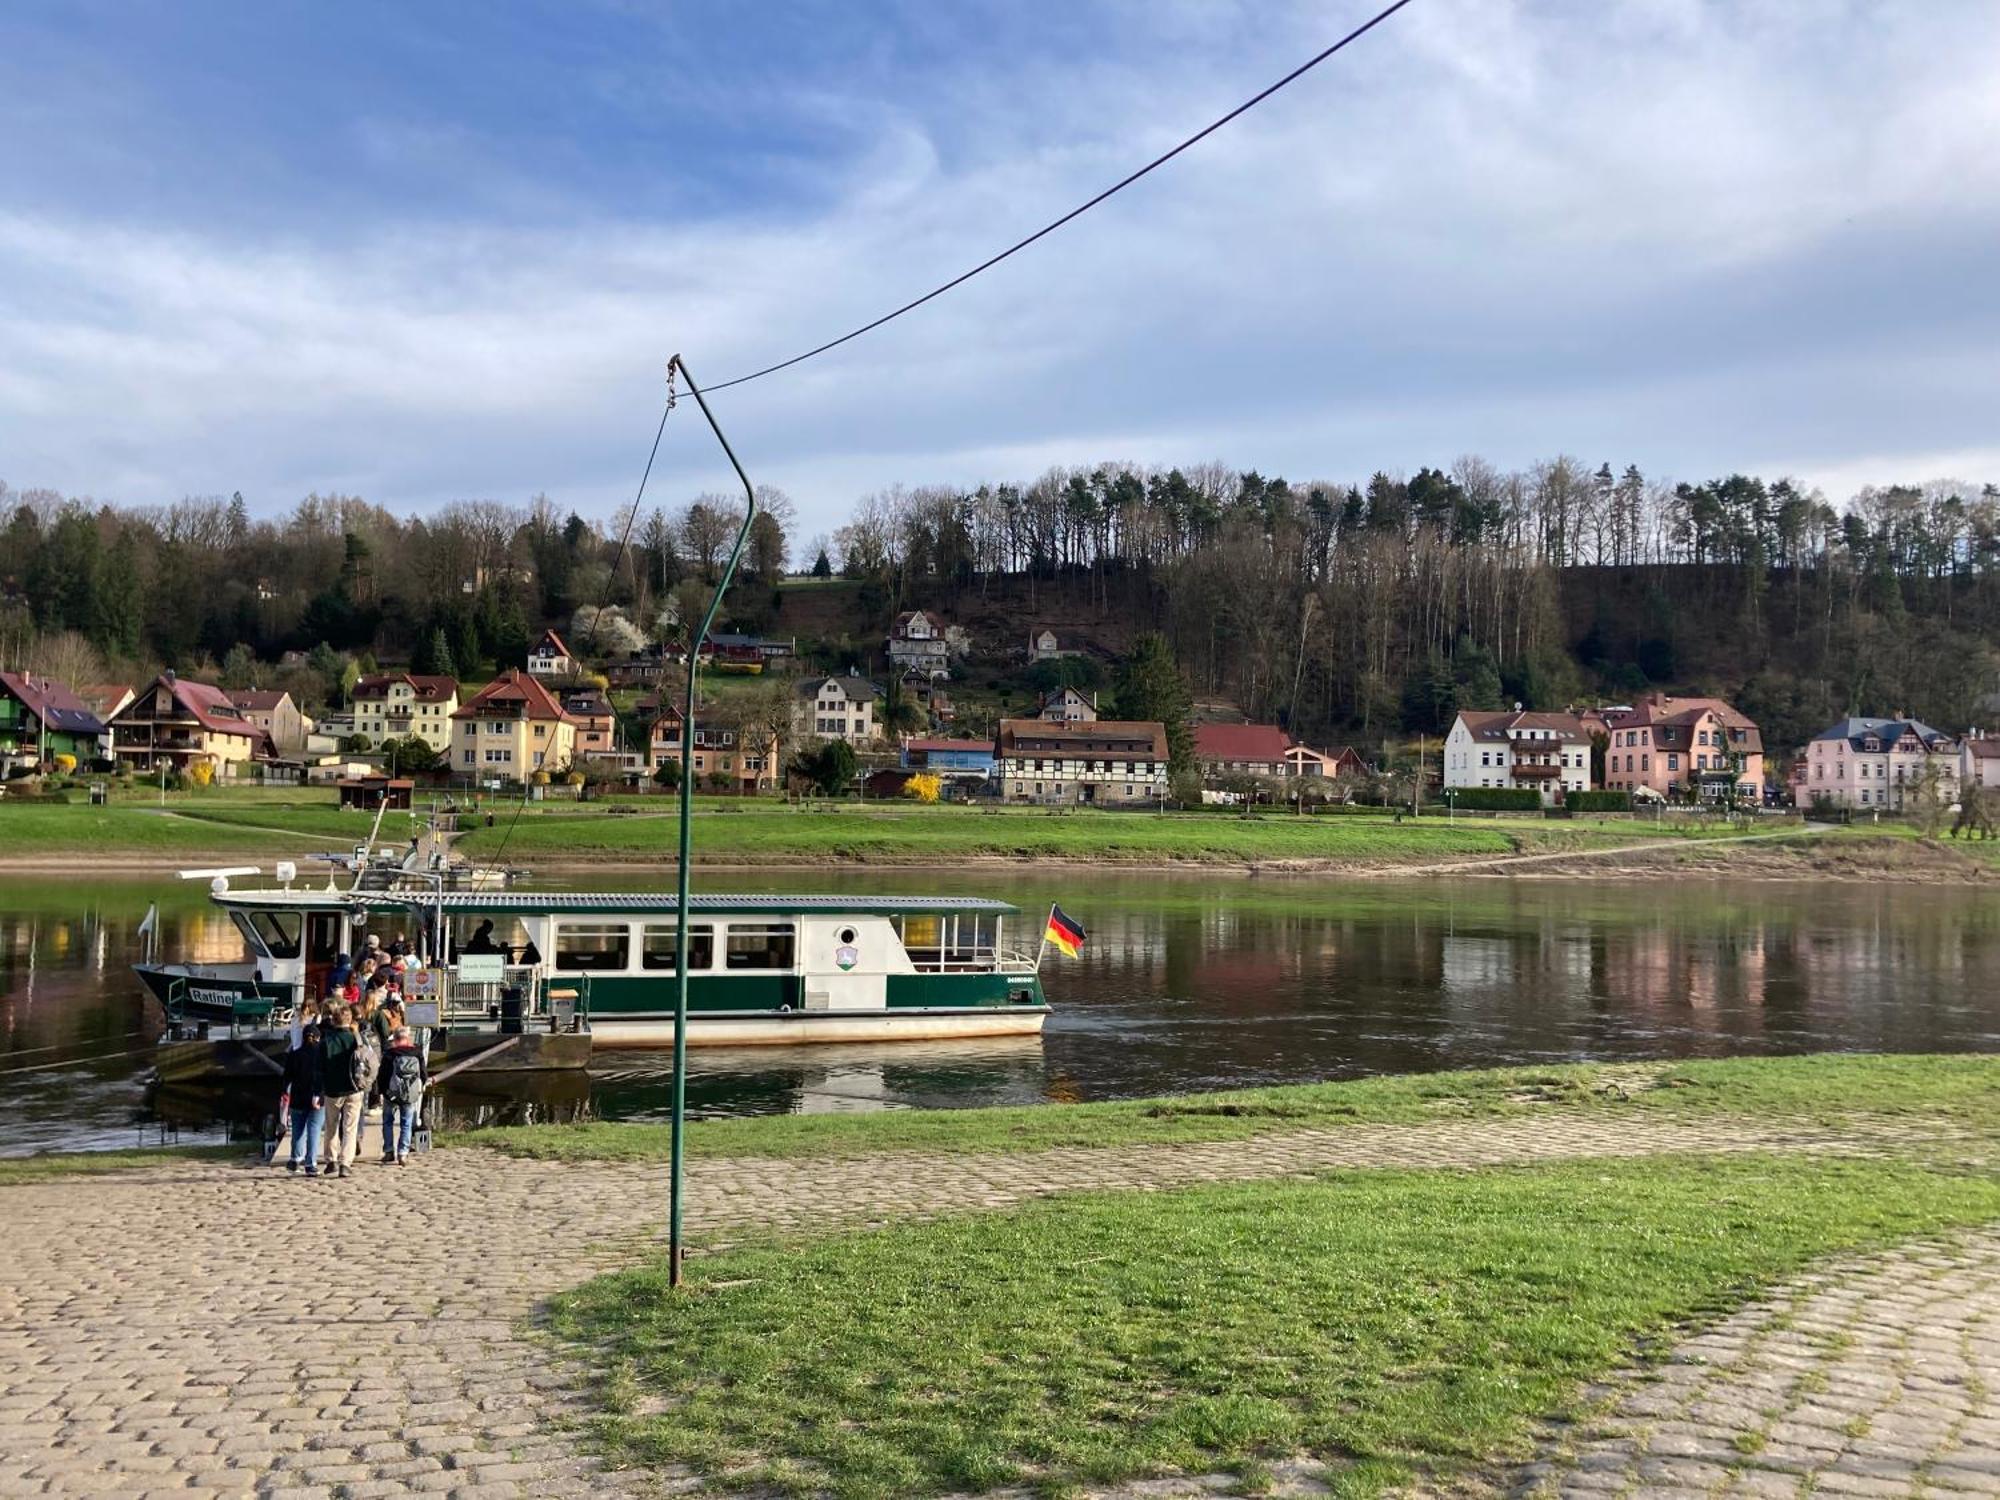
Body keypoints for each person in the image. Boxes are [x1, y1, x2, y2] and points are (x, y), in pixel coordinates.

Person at [319, 1005, 373, 1178]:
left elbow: (318, 1068)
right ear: (350, 1020)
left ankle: (331, 1160)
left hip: (332, 1088)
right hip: (354, 1087)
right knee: (350, 1127)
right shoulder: (356, 1039)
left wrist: (317, 1089)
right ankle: (345, 1163)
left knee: (331, 1126)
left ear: (333, 1020)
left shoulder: (326, 1040)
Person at [282, 1024, 328, 1176]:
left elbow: (286, 1078)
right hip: (316, 1096)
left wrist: (284, 1093)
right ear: (318, 1038)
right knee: (314, 1129)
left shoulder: (294, 1054)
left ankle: (295, 1159)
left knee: (297, 1128)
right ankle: (311, 1163)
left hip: (298, 1096)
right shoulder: (322, 1055)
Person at [380, 1026, 427, 1165]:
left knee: (387, 1122)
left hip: (392, 1093)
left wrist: (383, 1091)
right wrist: (419, 1087)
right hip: (410, 1094)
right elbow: (423, 1074)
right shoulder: (417, 1052)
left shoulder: (390, 1053)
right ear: (408, 1038)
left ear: (395, 1039)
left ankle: (389, 1151)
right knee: (406, 1123)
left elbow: (383, 1075)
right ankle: (403, 1153)